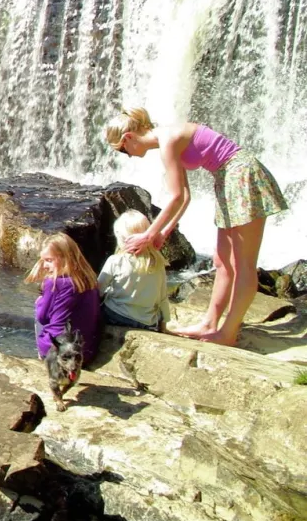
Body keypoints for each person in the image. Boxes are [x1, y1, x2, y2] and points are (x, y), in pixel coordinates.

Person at [105, 107, 289, 345]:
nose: (127, 155)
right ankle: (210, 323)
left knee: (244, 265)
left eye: (123, 150)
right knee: (222, 261)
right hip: (227, 180)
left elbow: (176, 197)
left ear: (128, 138)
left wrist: (148, 236)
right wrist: (163, 231)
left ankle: (228, 332)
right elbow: (186, 196)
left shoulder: (168, 139)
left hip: (242, 177)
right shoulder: (167, 140)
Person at [27, 233, 101, 362]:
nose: (44, 266)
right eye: (43, 260)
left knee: (40, 306)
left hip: (58, 353)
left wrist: (40, 303)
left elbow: (42, 317)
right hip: (85, 352)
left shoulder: (55, 283)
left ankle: (41, 356)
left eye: (49, 260)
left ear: (65, 258)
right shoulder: (89, 279)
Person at [98, 210, 171, 331]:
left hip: (116, 316)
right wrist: (163, 327)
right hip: (147, 322)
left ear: (121, 238)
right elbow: (163, 298)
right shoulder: (159, 264)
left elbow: (98, 291)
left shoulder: (116, 260)